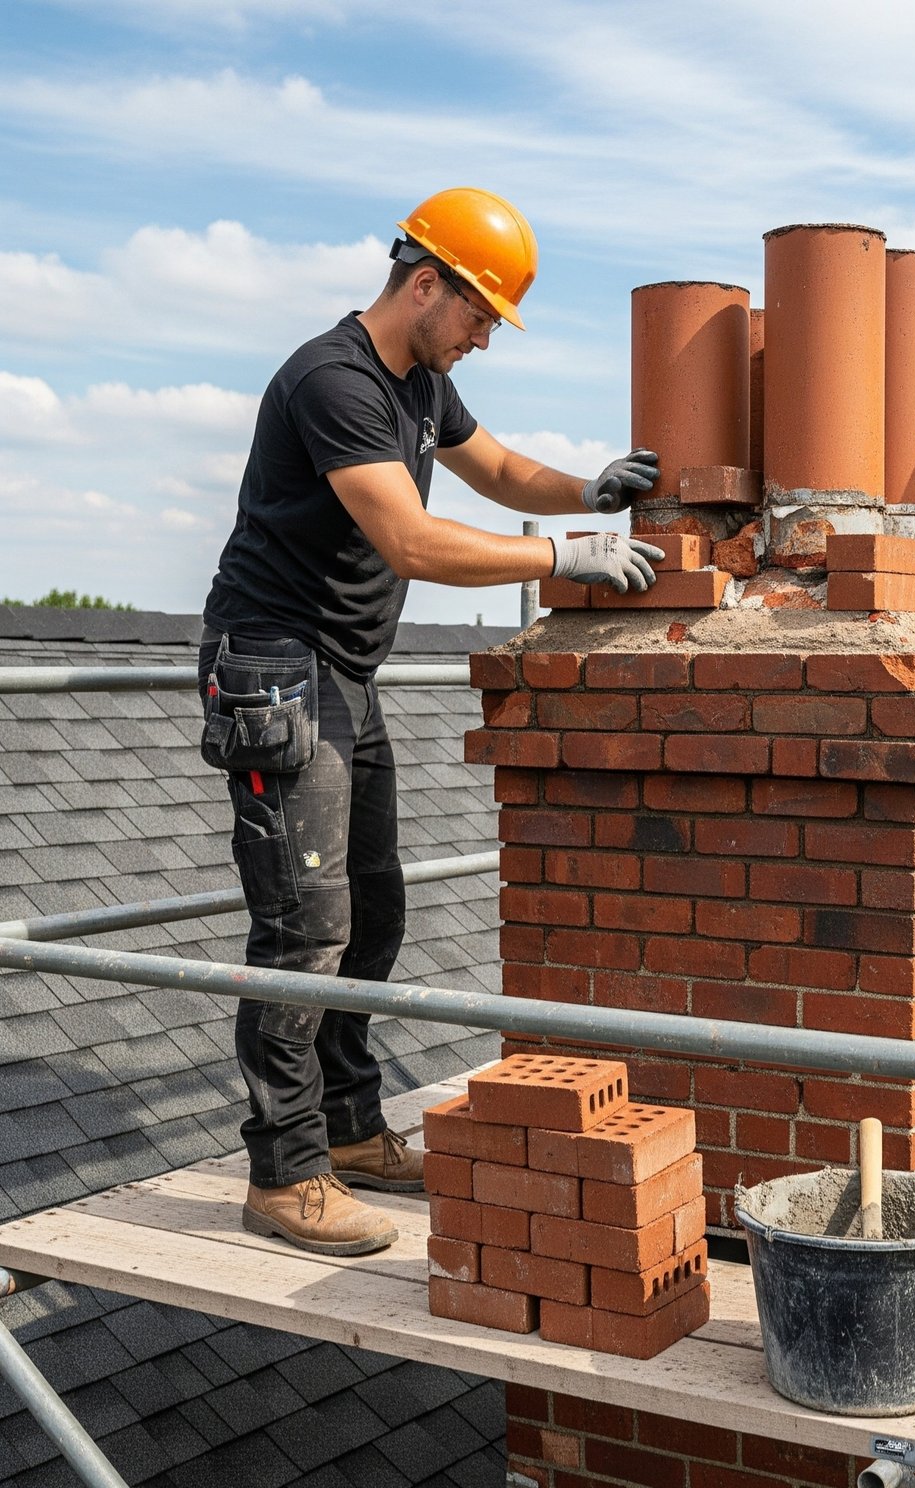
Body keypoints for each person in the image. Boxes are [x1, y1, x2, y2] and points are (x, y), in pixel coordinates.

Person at [198, 186, 665, 1256]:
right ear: (424, 284)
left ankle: (353, 1130)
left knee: (373, 909)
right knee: (301, 928)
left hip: (339, 675)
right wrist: (559, 558)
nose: (484, 338)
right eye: (479, 315)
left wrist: (588, 494)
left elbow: (495, 470)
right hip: (274, 666)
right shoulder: (334, 380)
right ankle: (285, 1171)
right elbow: (410, 539)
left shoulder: (419, 381)